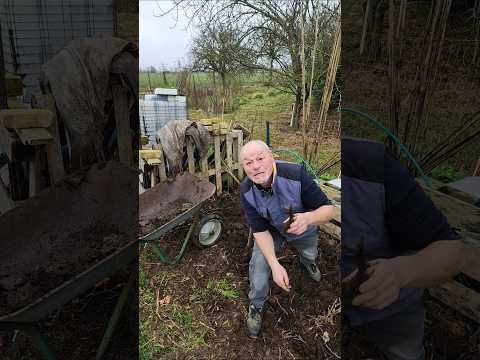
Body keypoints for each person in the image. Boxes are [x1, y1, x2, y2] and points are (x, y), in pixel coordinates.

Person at [342, 136, 467, 360]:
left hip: (390, 307)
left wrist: (400, 273)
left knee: (406, 353)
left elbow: (453, 253)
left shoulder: (370, 165)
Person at [239, 140, 335, 338]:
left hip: (300, 223)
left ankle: (308, 262)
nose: (255, 166)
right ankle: (256, 304)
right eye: (248, 163)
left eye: (260, 158)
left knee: (310, 251)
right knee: (259, 263)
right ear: (244, 168)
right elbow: (259, 231)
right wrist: (274, 264)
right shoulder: (247, 190)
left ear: (271, 157)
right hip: (271, 229)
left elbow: (328, 211)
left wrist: (308, 218)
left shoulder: (296, 174)